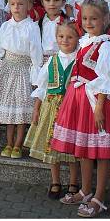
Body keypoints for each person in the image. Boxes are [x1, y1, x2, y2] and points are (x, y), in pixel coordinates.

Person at [51, 0, 110, 218]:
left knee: (101, 153)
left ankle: (99, 196)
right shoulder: (86, 40)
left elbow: (106, 78)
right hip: (80, 100)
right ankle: (85, 190)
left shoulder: (106, 46)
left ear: (105, 19)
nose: (88, 22)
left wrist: (99, 107)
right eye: (85, 18)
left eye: (94, 18)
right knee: (85, 149)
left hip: (98, 102)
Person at [0, 0, 42, 159]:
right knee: (9, 111)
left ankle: (18, 145)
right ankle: (8, 143)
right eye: (13, 4)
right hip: (7, 68)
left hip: (23, 70)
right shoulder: (5, 26)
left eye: (20, 4)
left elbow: (36, 52)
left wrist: (36, 78)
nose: (16, 7)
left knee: (21, 111)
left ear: (29, 6)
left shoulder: (32, 27)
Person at [24, 19, 80, 199]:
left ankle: (73, 182)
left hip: (72, 109)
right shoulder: (52, 61)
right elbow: (42, 87)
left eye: (70, 37)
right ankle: (55, 180)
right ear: (56, 38)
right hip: (51, 107)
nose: (65, 40)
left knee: (72, 149)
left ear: (78, 39)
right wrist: (36, 109)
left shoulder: (80, 60)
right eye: (61, 36)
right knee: (52, 146)